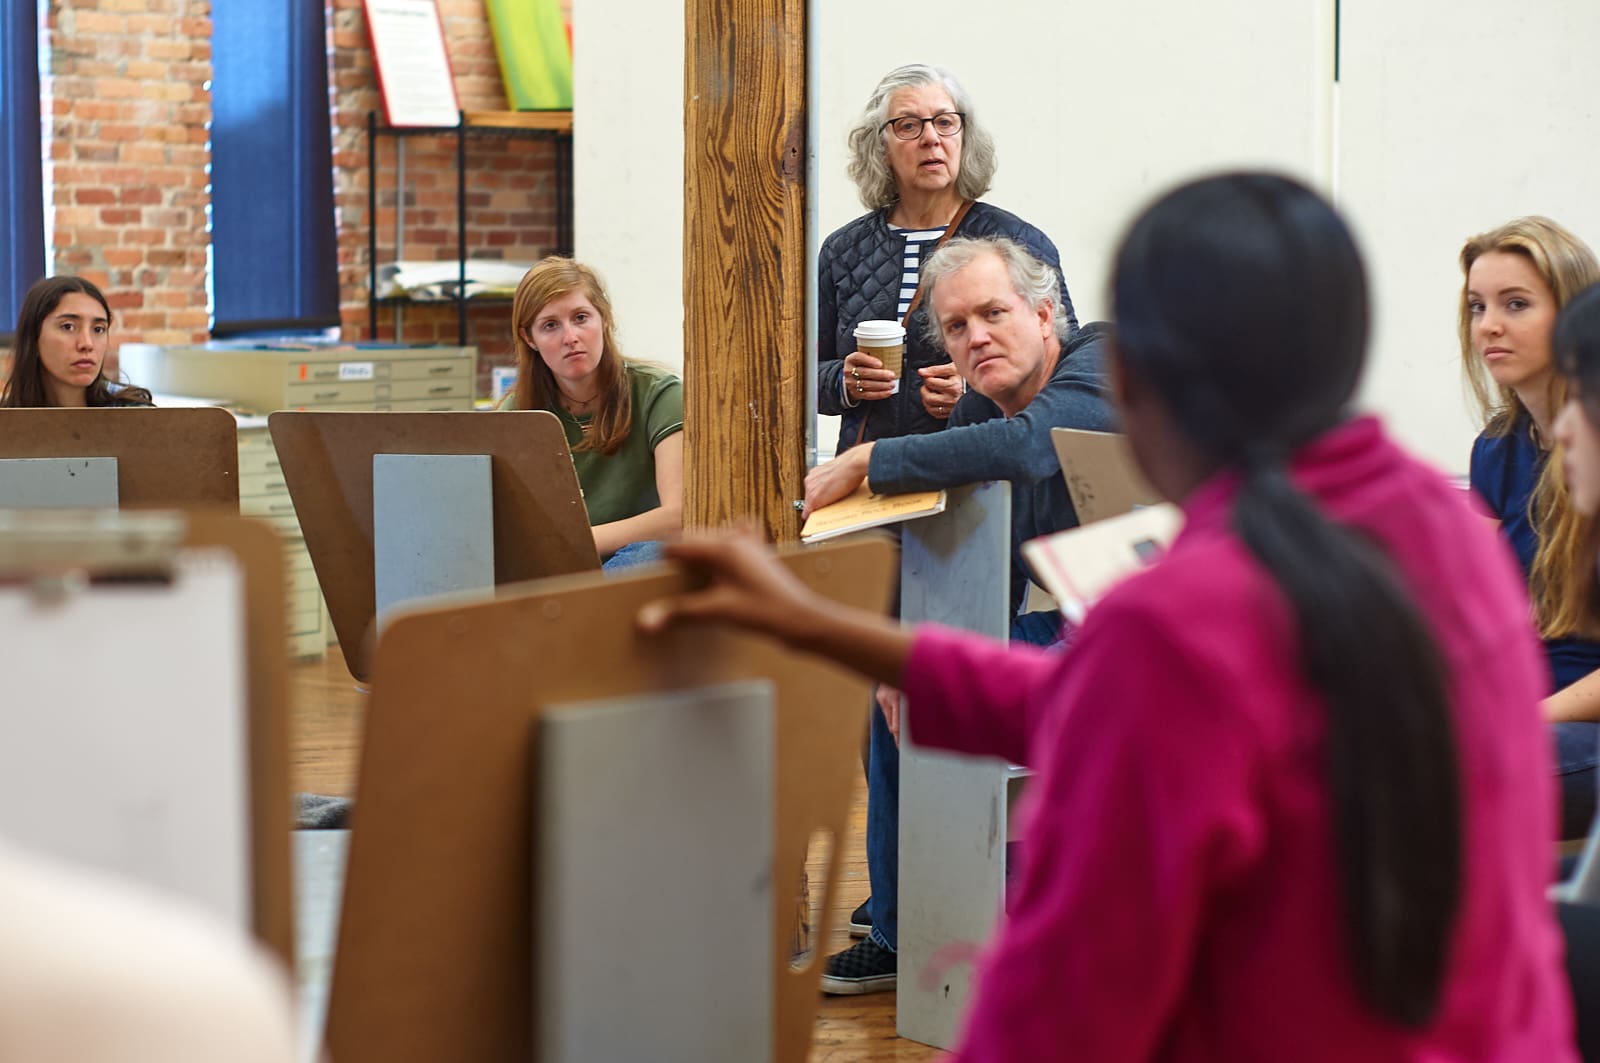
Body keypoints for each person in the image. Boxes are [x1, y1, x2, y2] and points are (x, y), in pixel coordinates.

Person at [638, 173, 1577, 1060]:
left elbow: (1060, 1010)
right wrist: (817, 626)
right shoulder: (1432, 527)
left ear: (1140, 372)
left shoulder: (1183, 619)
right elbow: (1111, 704)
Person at [805, 234, 1112, 993]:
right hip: (1061, 613)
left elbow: (1031, 448)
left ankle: (1017, 929)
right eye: (956, 326)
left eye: (993, 313)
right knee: (905, 687)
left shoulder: (1104, 362)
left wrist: (867, 459)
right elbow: (945, 528)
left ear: (1045, 314)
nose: (976, 337)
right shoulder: (979, 404)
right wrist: (906, 654)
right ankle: (905, 930)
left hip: (1157, 633)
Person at [817, 63, 1073, 454]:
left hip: (978, 472)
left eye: (945, 122)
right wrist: (844, 382)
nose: (931, 139)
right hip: (868, 474)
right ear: (880, 148)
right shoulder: (843, 250)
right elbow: (799, 376)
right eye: (908, 125)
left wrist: (976, 393)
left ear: (964, 137)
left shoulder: (1016, 241)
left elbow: (1066, 374)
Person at [1461, 217, 1600, 839]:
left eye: (1515, 304)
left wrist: (1520, 717)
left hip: (1575, 719)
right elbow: (1476, 613)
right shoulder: (1494, 450)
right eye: (1477, 306)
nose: (1488, 325)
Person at [499, 257, 683, 569]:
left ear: (604, 318)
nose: (570, 337)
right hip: (560, 568)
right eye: (550, 325)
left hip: (639, 561)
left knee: (649, 554)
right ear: (530, 338)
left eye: (581, 317)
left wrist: (581, 540)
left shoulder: (659, 395)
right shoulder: (517, 413)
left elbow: (679, 516)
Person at [1, 275, 153, 408]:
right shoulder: (8, 420)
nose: (87, 344)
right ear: (33, 337)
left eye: (98, 329)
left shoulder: (134, 413)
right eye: (68, 327)